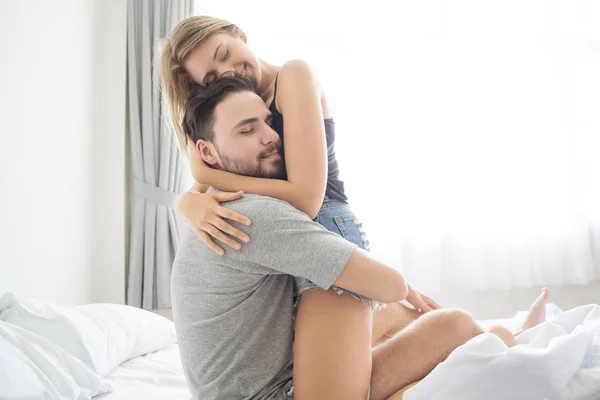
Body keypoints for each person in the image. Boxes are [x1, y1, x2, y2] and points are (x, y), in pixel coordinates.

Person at [170, 77, 551, 400]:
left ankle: (504, 338)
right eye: (247, 129)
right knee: (451, 323)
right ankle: (505, 340)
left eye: (268, 123)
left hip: (248, 384)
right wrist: (385, 283)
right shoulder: (253, 213)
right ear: (206, 152)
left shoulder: (213, 208)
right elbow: (387, 284)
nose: (271, 137)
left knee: (397, 316)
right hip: (277, 394)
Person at [159, 15, 439, 397]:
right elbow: (221, 180)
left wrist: (207, 177)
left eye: (225, 54)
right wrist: (188, 200)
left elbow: (307, 199)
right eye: (211, 78)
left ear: (241, 34)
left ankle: (474, 337)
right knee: (350, 365)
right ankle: (479, 338)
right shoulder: (240, 106)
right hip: (290, 248)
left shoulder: (292, 76)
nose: (228, 72)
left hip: (323, 226)